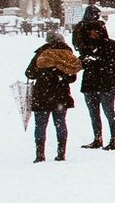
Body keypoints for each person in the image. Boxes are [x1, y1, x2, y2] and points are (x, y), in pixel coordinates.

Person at [25, 29, 79, 162]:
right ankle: (61, 153)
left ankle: (40, 154)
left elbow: (29, 73)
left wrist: (44, 73)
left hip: (42, 94)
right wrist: (60, 75)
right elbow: (72, 78)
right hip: (61, 94)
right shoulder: (67, 55)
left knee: (40, 125)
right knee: (60, 123)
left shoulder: (42, 54)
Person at [73, 8, 115, 151]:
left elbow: (114, 64)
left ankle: (112, 139)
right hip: (98, 83)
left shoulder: (107, 46)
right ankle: (99, 138)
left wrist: (92, 61)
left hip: (101, 82)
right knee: (96, 113)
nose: (92, 34)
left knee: (107, 112)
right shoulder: (102, 46)